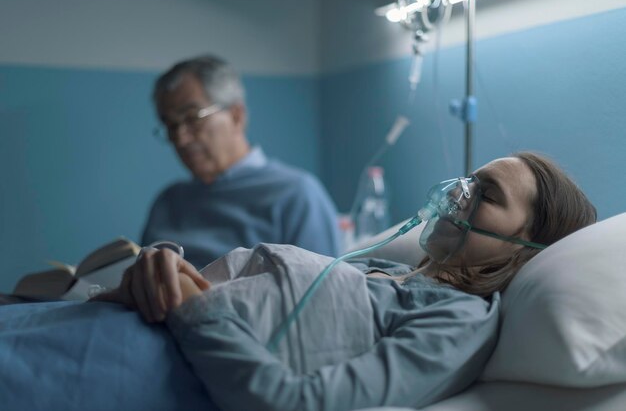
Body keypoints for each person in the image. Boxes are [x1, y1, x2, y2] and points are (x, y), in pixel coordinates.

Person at [96, 152, 596, 410]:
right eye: (468, 178)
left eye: (485, 192)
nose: (457, 192)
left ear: (524, 247)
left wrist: (190, 307)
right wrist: (160, 271)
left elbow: (299, 404)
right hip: (120, 322)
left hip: (140, 372)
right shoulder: (387, 274)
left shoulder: (459, 317)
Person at [142, 55, 341, 267]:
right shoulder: (168, 202)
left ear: (236, 116)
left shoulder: (297, 195)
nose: (180, 139)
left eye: (192, 118)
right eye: (171, 126)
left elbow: (323, 292)